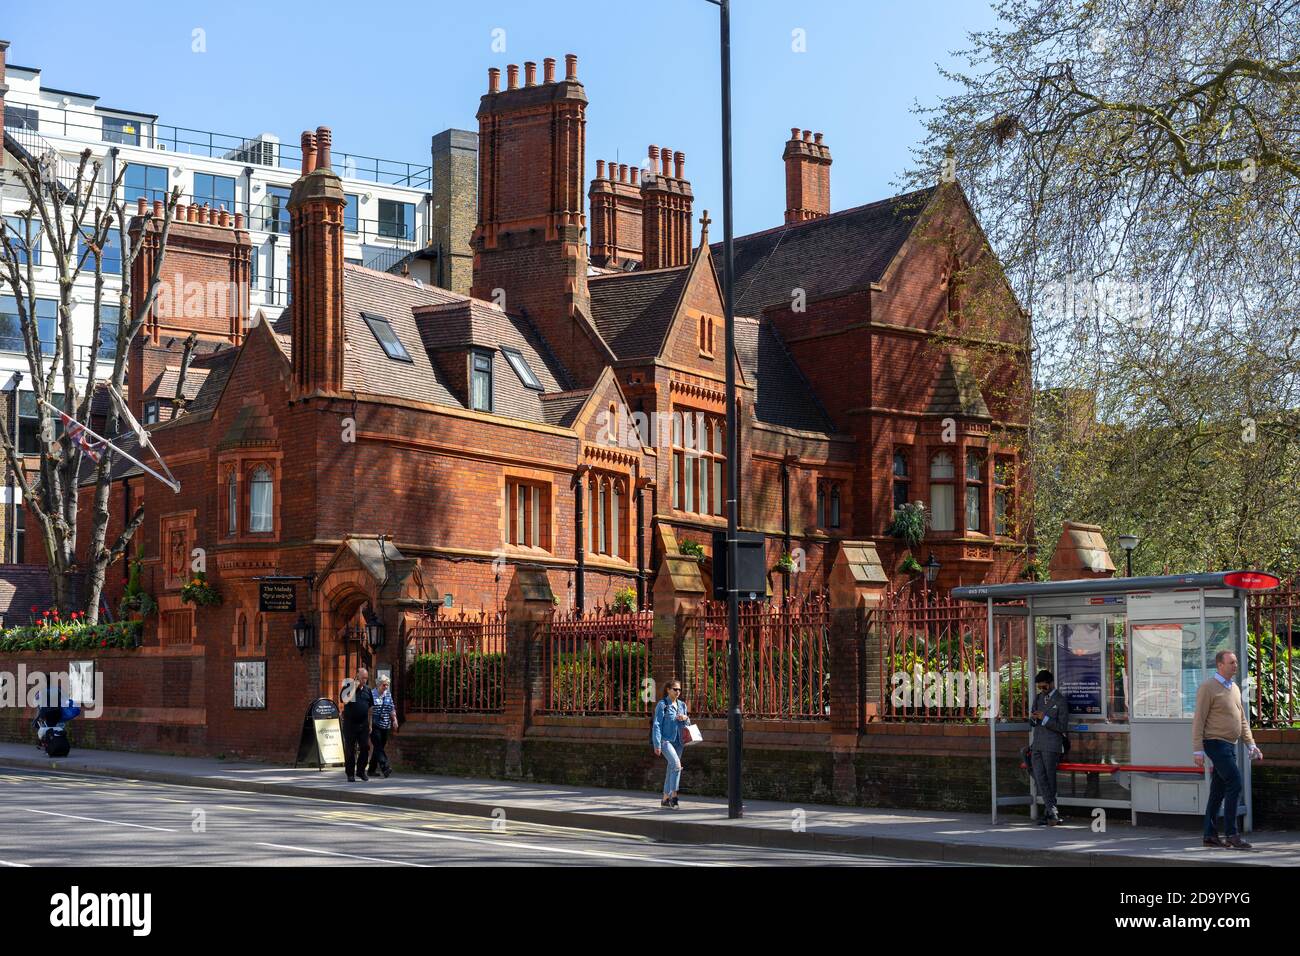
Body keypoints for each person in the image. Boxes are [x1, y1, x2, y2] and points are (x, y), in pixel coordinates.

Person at [1193, 650, 1263, 850]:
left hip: (1229, 744)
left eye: (1235, 662)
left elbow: (1241, 719)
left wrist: (1251, 744)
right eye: (1231, 662)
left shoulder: (1233, 687)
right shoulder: (1208, 687)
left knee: (1218, 791)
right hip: (1215, 743)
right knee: (1235, 782)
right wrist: (1198, 749)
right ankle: (1232, 834)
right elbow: (1199, 719)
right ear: (1219, 665)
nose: (1235, 665)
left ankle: (1209, 835)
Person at [1029, 669, 1070, 826]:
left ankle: (1050, 812)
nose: (1042, 690)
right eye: (1039, 687)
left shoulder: (1060, 701)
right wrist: (1033, 719)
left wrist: (1044, 718)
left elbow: (1062, 726)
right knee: (1040, 778)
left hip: (1052, 745)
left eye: (1044, 687)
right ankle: (1051, 811)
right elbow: (1032, 720)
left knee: (1050, 778)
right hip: (1037, 743)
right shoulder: (1038, 698)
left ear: (1051, 683)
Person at [650, 678, 689, 810]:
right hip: (666, 741)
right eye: (675, 689)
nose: (678, 692)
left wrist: (685, 718)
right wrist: (657, 744)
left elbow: (687, 725)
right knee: (677, 765)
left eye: (679, 689)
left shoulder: (682, 705)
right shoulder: (663, 705)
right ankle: (674, 796)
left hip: (679, 742)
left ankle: (665, 798)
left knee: (671, 768)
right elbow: (656, 725)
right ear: (668, 690)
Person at [340, 666, 375, 782]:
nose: (364, 680)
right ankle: (350, 774)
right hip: (350, 725)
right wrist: (354, 687)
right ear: (357, 676)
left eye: (366, 678)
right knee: (350, 749)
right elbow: (345, 700)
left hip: (363, 725)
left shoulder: (368, 690)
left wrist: (370, 724)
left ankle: (360, 771)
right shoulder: (348, 685)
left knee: (365, 747)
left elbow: (370, 708)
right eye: (363, 678)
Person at [367, 674, 398, 779]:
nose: (386, 687)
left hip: (385, 725)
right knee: (379, 746)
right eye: (384, 685)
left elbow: (391, 708)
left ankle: (371, 770)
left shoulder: (388, 694)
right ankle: (385, 767)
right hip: (374, 724)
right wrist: (369, 725)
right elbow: (369, 711)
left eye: (387, 685)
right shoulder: (372, 694)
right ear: (379, 684)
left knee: (378, 747)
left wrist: (395, 720)